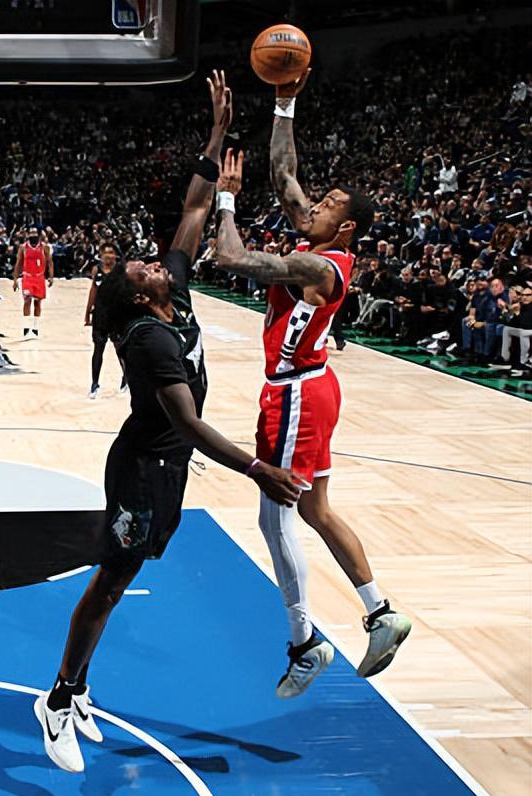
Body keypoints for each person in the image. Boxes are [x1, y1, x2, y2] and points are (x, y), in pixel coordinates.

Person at [37, 71, 305, 774]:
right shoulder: (147, 339)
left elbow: (192, 208)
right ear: (137, 296)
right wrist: (256, 468)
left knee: (123, 578)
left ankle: (78, 688)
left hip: (168, 467)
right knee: (111, 579)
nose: (153, 262)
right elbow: (187, 423)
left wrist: (216, 137)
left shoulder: (174, 294)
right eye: (142, 269)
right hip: (144, 467)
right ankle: (58, 698)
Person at [211, 70, 412, 700]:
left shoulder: (319, 265)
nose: (313, 206)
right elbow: (285, 177)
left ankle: (305, 643)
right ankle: (380, 612)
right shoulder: (320, 242)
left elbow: (231, 258)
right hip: (315, 384)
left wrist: (225, 201)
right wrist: (284, 102)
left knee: (276, 517)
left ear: (345, 228)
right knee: (317, 509)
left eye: (326, 206)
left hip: (297, 393)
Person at [84, 242, 128, 398]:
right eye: (105, 253)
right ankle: (94, 383)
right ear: (101, 255)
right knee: (98, 349)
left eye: (111, 252)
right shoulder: (96, 270)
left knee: (119, 348)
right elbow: (93, 291)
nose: (108, 255)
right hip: (100, 314)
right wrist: (87, 311)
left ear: (115, 255)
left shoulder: (122, 270)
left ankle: (126, 377)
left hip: (117, 314)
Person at [13, 226, 54, 338]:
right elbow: (18, 264)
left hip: (39, 277)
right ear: (28, 235)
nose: (33, 235)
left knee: (37, 303)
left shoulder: (44, 247)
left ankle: (35, 328)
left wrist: (51, 276)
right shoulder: (23, 247)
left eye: (35, 233)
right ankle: (26, 327)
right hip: (27, 277)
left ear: (38, 235)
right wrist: (15, 280)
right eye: (31, 233)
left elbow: (50, 263)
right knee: (27, 300)